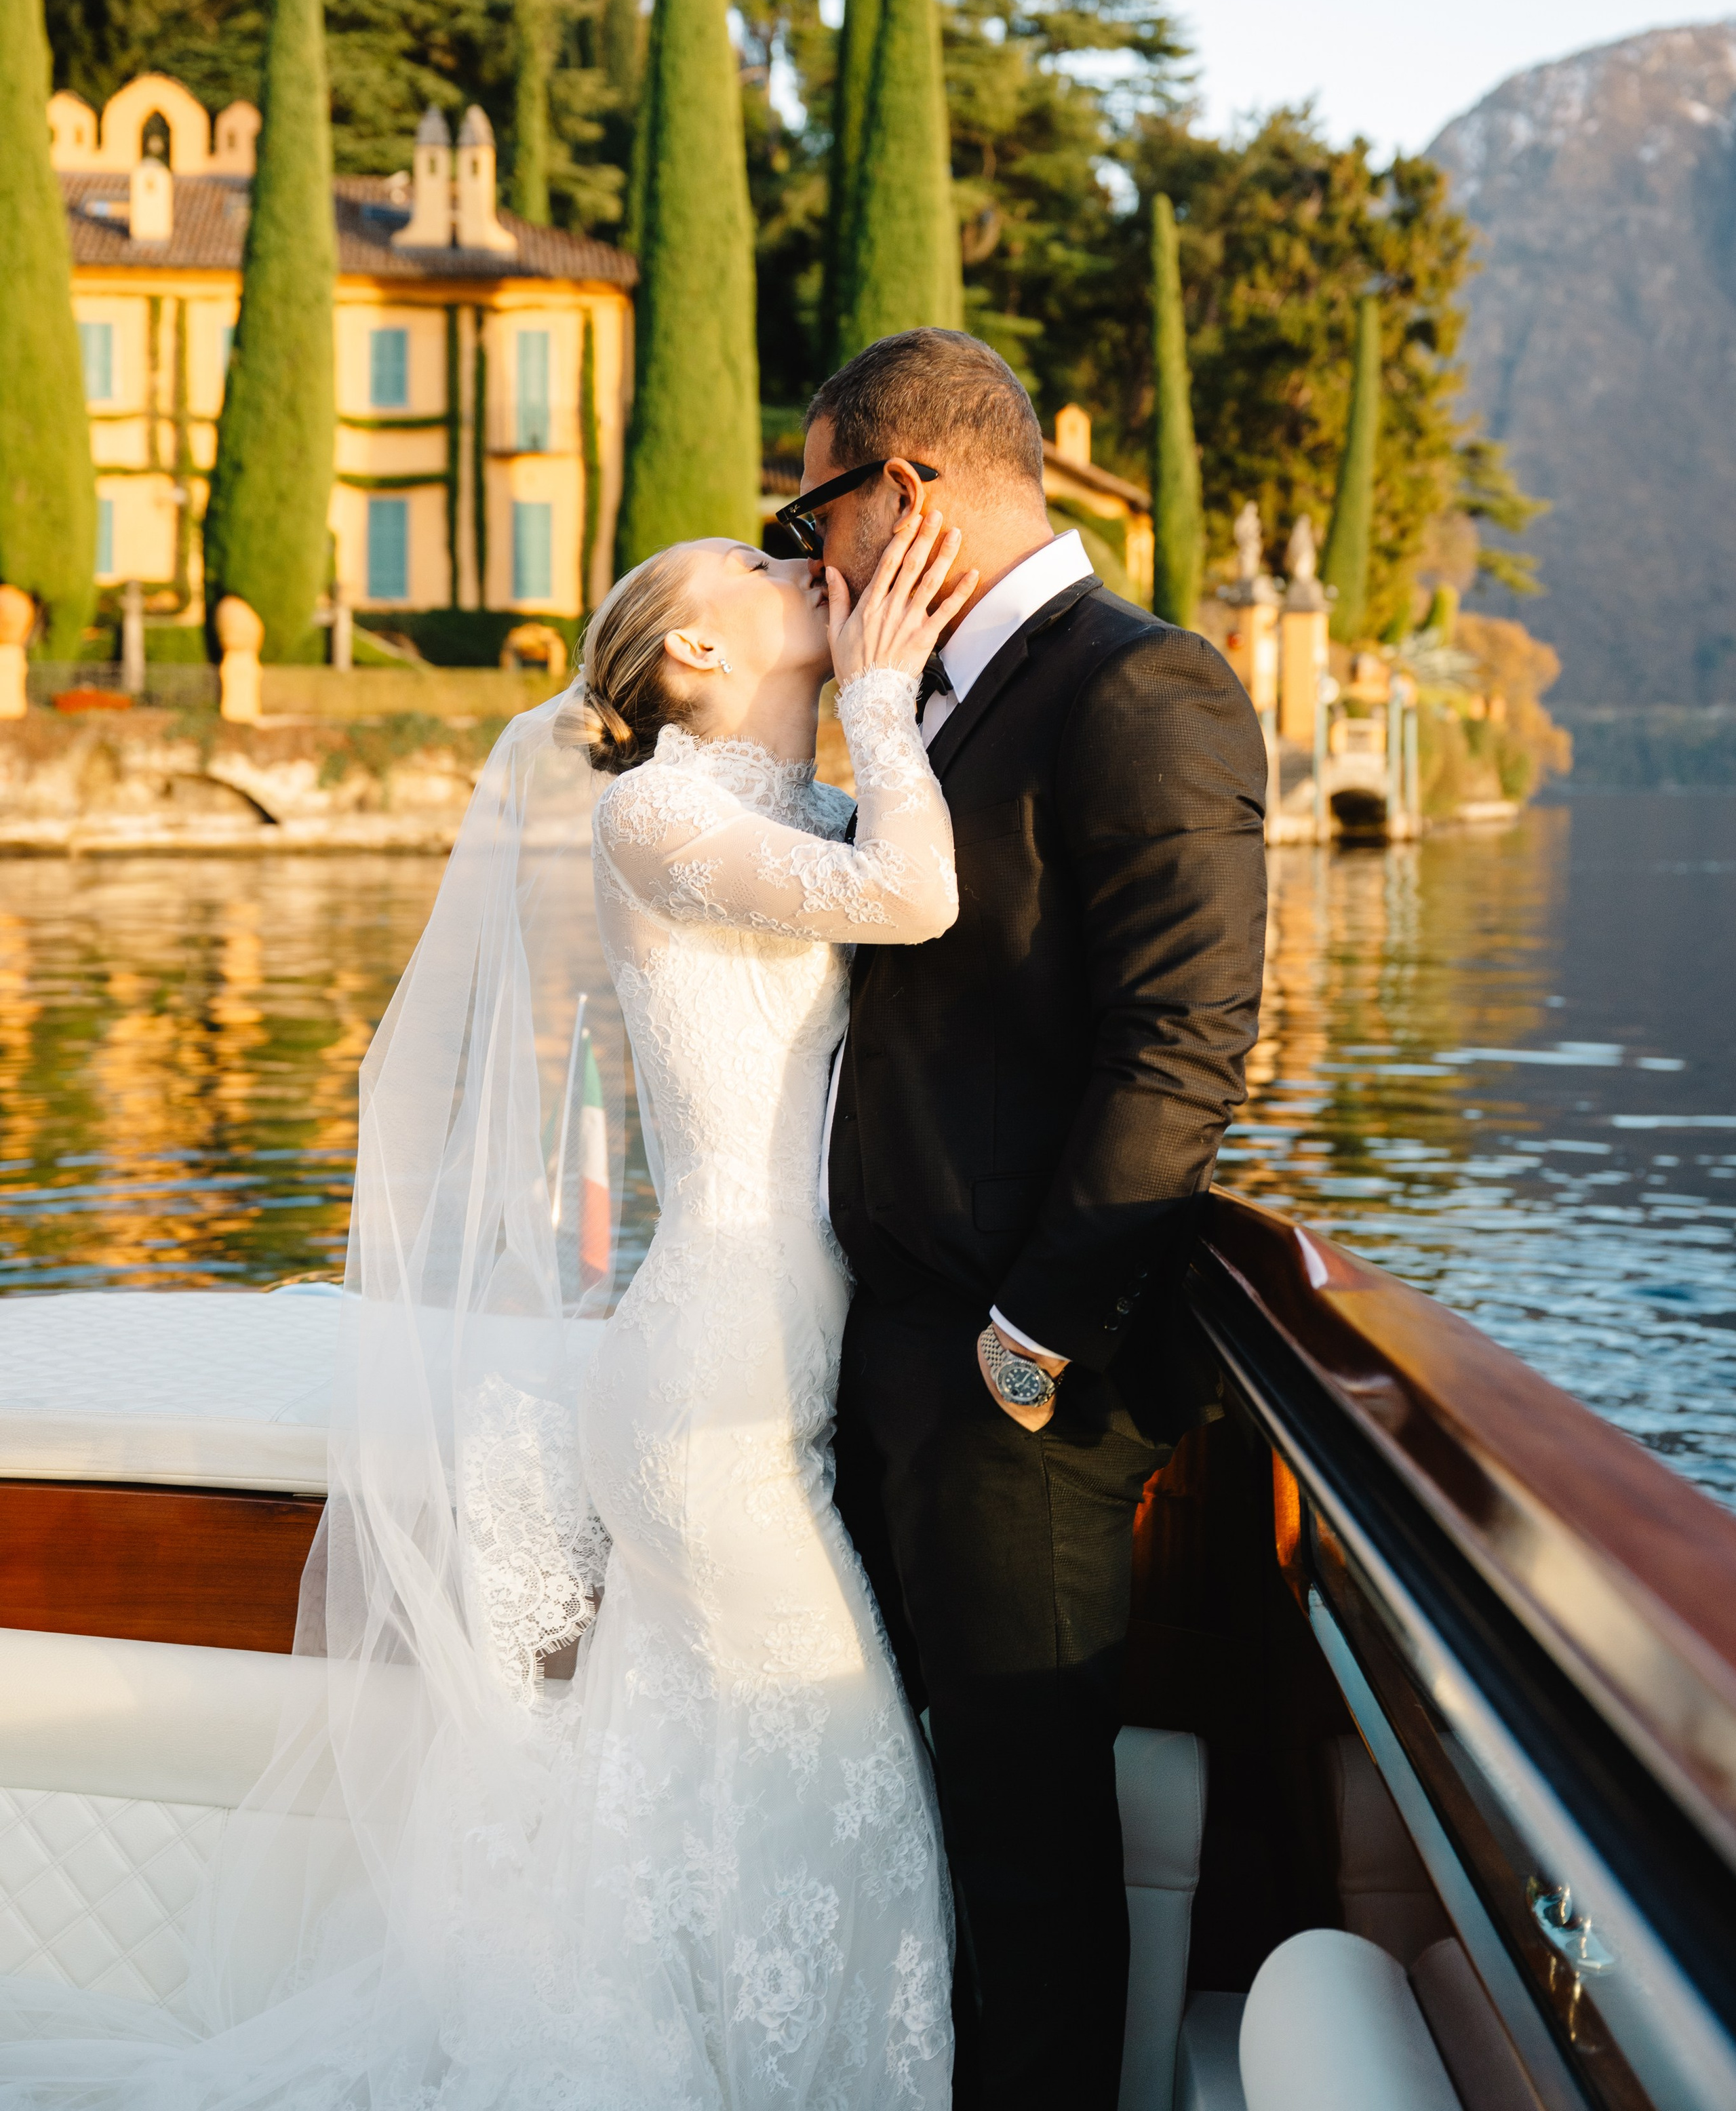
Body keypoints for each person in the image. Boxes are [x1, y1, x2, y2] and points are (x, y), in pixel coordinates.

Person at [0, 512, 972, 2108]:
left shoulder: (781, 808)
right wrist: (881, 688)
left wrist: (878, 715)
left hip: (765, 1373)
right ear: (694, 653)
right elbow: (915, 896)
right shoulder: (658, 816)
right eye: (752, 557)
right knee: (838, 1769)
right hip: (709, 1395)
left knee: (696, 1798)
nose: (798, 556)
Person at [787, 328, 1269, 2109]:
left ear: (899, 491)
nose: (800, 558)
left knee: (1027, 1853)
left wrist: (1030, 1339)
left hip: (1017, 1393)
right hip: (894, 1354)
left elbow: (1185, 1037)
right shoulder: (926, 696)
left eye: (807, 509)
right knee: (913, 1814)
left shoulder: (1143, 689)